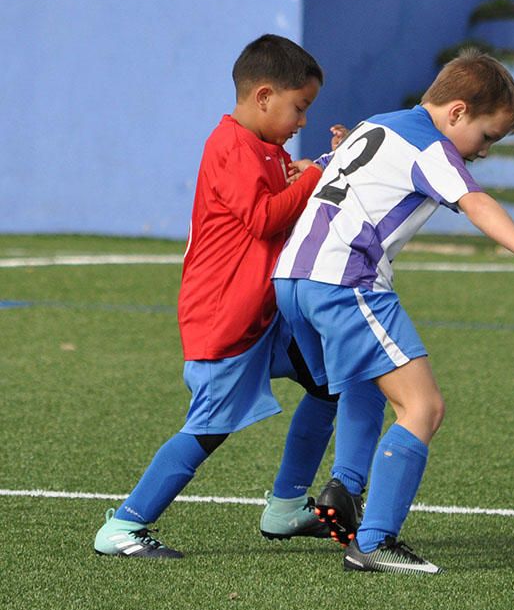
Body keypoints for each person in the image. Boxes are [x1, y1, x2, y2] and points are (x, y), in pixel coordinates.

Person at [271, 48, 514, 574]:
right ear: (456, 113)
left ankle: (345, 487)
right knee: (424, 408)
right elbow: (476, 202)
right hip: (346, 280)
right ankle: (375, 542)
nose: (482, 153)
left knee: (363, 381)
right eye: (487, 137)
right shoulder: (431, 145)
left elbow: (328, 170)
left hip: (293, 278)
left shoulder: (377, 124)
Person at [93, 34, 371, 558]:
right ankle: (124, 527)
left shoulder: (265, 148)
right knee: (207, 430)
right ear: (264, 96)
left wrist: (318, 167)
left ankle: (286, 508)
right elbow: (265, 217)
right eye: (299, 107)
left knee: (329, 382)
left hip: (264, 314)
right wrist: (310, 176)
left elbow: (281, 202)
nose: (303, 120)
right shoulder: (229, 145)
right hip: (226, 316)